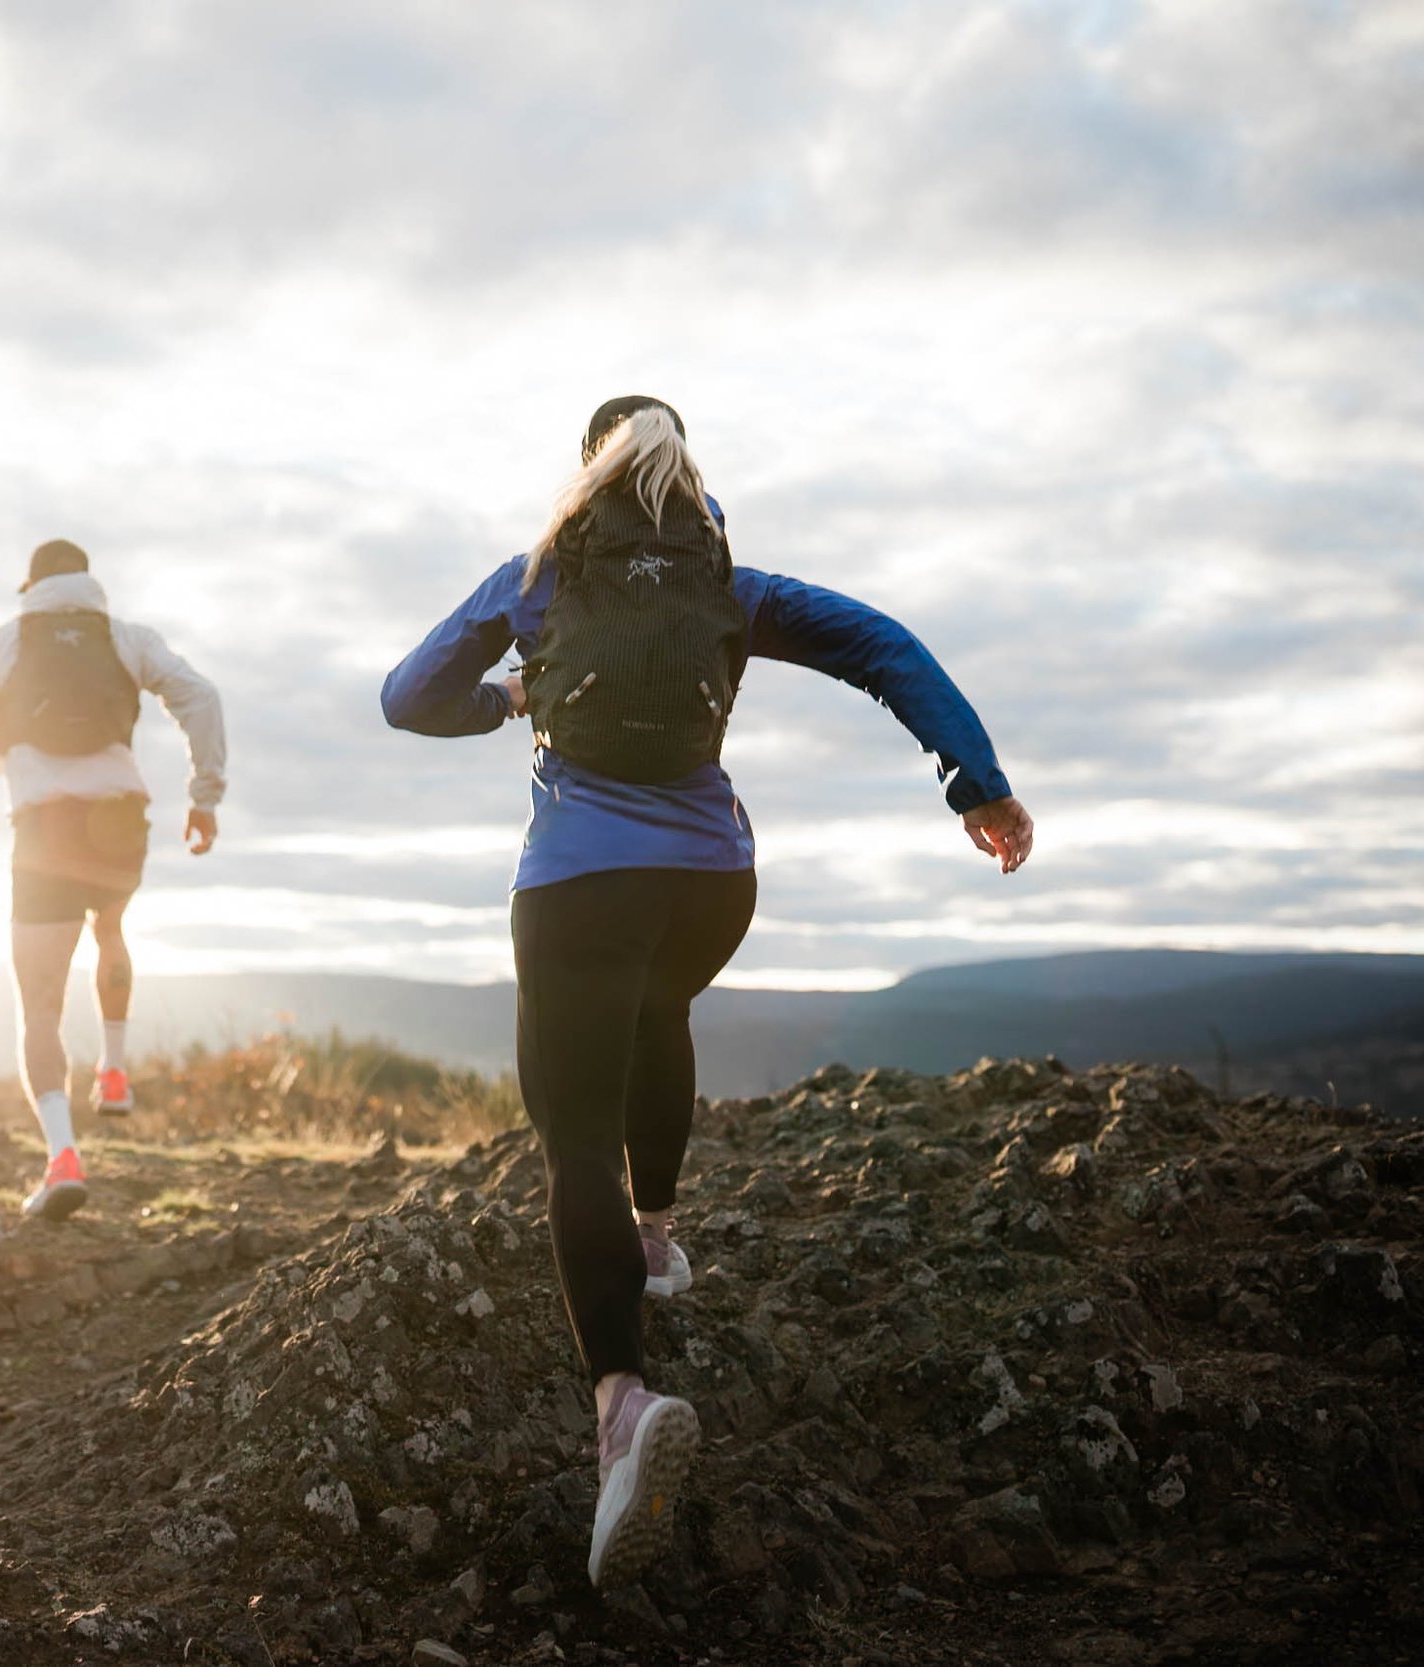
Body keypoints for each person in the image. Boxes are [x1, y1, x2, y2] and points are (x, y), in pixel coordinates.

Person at [380, 396, 1032, 1590]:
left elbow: (405, 697)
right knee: (658, 1010)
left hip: (579, 885)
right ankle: (659, 1235)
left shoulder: (533, 580)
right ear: (685, 482)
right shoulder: (729, 585)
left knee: (575, 1138)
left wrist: (506, 698)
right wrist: (973, 781)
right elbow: (885, 645)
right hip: (711, 886)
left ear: (585, 477)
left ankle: (620, 1406)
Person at [0, 538, 226, 1220]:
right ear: (87, 583)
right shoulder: (126, 639)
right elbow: (202, 696)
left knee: (39, 1003)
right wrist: (204, 797)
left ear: (31, 587)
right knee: (111, 927)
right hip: (120, 819)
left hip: (45, 828)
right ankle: (115, 1070)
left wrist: (15, 760)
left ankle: (63, 1156)